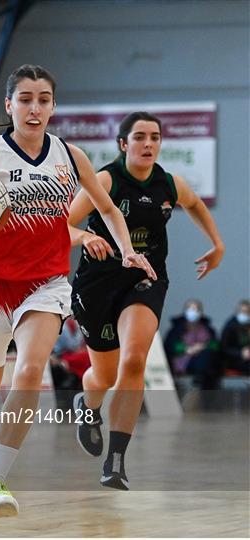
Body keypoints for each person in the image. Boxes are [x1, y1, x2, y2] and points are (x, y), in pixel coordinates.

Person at [0, 65, 155, 517]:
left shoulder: (70, 156)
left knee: (31, 372)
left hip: (46, 282)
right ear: (9, 105)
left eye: (43, 99)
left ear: (53, 106)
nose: (35, 108)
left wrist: (127, 249)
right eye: (26, 99)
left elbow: (108, 208)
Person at [68, 111, 224, 490]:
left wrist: (216, 244)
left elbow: (196, 205)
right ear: (124, 144)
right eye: (139, 137)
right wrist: (86, 238)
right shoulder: (105, 179)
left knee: (135, 358)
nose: (148, 144)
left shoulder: (169, 185)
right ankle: (87, 408)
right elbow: (63, 225)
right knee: (102, 376)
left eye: (154, 137)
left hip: (145, 279)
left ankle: (116, 461)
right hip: (97, 284)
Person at [164, 299, 222, 388]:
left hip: (205, 364)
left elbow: (216, 345)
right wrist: (187, 349)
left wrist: (202, 347)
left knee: (206, 359)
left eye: (196, 309)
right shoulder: (176, 329)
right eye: (190, 309)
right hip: (181, 363)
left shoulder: (208, 329)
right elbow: (170, 346)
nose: (193, 312)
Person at [220, 300, 250, 375]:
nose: (244, 314)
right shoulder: (230, 326)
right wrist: (240, 353)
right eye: (242, 311)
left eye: (247, 312)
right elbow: (224, 348)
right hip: (234, 360)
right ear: (237, 312)